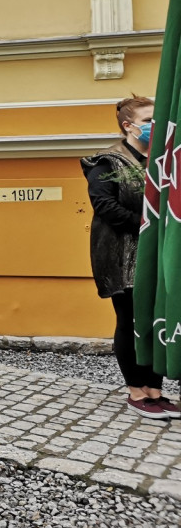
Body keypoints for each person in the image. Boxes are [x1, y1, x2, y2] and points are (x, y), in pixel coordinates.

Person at [81, 96, 179, 420]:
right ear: (129, 125)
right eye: (149, 120)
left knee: (156, 321)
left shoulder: (165, 162)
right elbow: (106, 207)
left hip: (159, 258)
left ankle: (155, 390)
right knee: (130, 321)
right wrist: (148, 226)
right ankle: (136, 391)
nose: (155, 126)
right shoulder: (107, 162)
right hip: (123, 257)